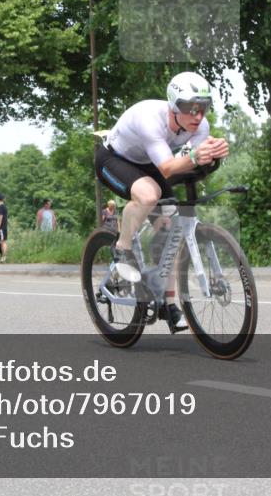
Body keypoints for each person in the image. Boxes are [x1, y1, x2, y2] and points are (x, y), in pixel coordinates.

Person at [94, 71, 228, 332]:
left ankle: (167, 302)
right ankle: (122, 249)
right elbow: (168, 167)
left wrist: (213, 157)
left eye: (203, 109)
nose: (197, 116)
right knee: (148, 195)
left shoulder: (201, 127)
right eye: (190, 109)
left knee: (172, 231)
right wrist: (197, 157)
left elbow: (188, 163)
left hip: (149, 163)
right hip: (114, 160)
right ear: (174, 105)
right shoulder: (149, 119)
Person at [0, 194, 9, 263]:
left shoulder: (0, 208)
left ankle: (4, 258)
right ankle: (3, 257)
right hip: (4, 227)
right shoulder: (4, 207)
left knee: (3, 242)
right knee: (2, 242)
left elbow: (0, 218)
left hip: (1, 228)